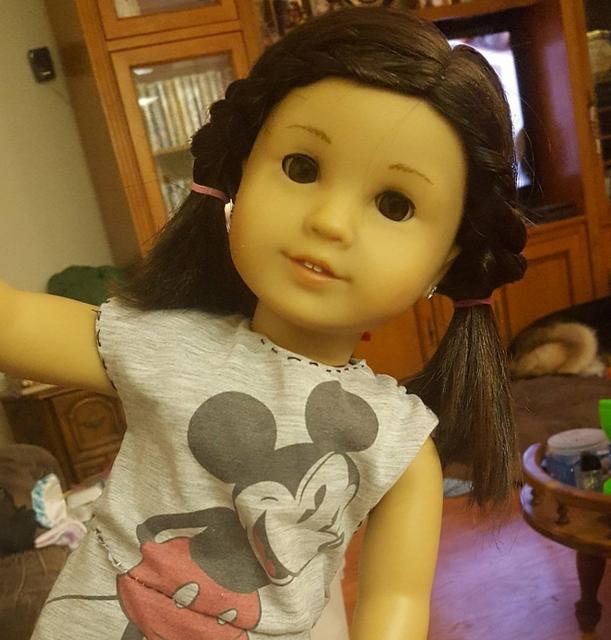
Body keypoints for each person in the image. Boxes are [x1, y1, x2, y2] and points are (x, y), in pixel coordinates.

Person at [0, 6, 527, 639]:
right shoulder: (169, 344)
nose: (330, 222)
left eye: (394, 204)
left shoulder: (399, 443)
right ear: (241, 173)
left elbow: (397, 605)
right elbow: (15, 323)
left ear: (446, 260)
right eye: (302, 168)